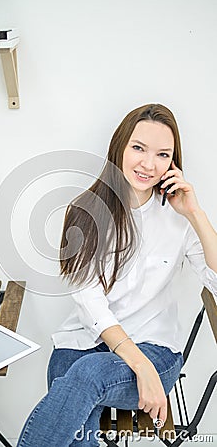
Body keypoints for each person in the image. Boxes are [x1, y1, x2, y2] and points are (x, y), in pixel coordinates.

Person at [16, 103, 217, 447]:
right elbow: (89, 302)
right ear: (120, 147)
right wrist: (138, 366)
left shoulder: (178, 217)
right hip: (83, 344)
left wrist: (195, 214)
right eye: (138, 148)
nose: (148, 164)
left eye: (162, 154)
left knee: (85, 377)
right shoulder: (84, 211)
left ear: (173, 162)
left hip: (155, 351)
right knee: (78, 389)